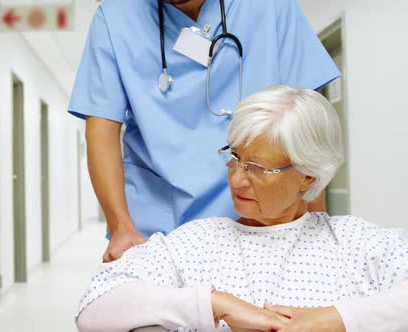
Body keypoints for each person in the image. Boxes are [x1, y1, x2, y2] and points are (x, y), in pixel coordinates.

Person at [75, 86, 408, 331]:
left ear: (307, 176)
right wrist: (212, 305)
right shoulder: (197, 243)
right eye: (234, 158)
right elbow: (94, 308)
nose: (237, 179)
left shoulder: (355, 242)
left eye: (259, 169)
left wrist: (337, 319)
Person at [69, 0, 340, 262]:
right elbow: (101, 131)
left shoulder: (271, 6)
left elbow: (306, 126)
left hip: (264, 222)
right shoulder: (115, 17)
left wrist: (314, 230)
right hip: (159, 232)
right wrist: (120, 226)